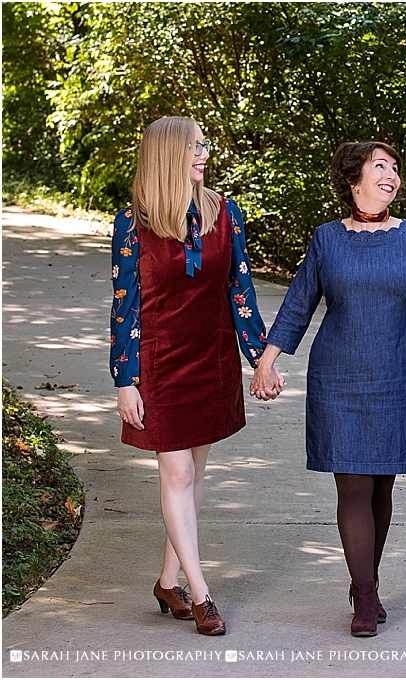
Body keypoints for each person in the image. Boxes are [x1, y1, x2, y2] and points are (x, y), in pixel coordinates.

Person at [249, 142, 406, 637]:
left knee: (381, 484)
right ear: (353, 179)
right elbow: (299, 302)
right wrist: (267, 361)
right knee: (352, 482)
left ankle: (364, 581)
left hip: (396, 375)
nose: (391, 175)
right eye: (381, 167)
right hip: (339, 376)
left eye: (396, 168)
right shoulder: (327, 239)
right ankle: (367, 594)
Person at [110, 116, 282, 636]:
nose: (204, 153)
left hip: (212, 358)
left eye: (205, 145)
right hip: (160, 363)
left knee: (194, 475)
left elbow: (239, 290)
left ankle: (167, 580)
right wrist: (124, 378)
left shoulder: (224, 213)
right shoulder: (132, 221)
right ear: (168, 155)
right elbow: (124, 308)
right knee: (178, 475)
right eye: (194, 147)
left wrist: (261, 358)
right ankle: (202, 592)